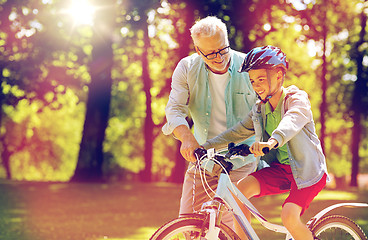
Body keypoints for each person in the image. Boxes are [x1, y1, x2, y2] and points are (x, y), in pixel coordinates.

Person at [202, 45, 329, 240]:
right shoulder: (260, 109)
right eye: (252, 81)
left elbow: (291, 122)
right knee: (238, 193)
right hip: (282, 170)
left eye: (261, 79)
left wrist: (272, 141)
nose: (256, 86)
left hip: (307, 171)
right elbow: (237, 132)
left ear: (279, 76)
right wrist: (205, 146)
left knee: (289, 216)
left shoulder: (296, 100)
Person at [162, 16, 258, 229]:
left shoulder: (249, 67)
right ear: (198, 50)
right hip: (203, 156)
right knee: (187, 225)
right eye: (211, 53)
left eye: (223, 49)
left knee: (227, 226)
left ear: (227, 40)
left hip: (240, 160)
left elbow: (267, 106)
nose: (219, 57)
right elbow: (175, 108)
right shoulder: (187, 68)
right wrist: (187, 138)